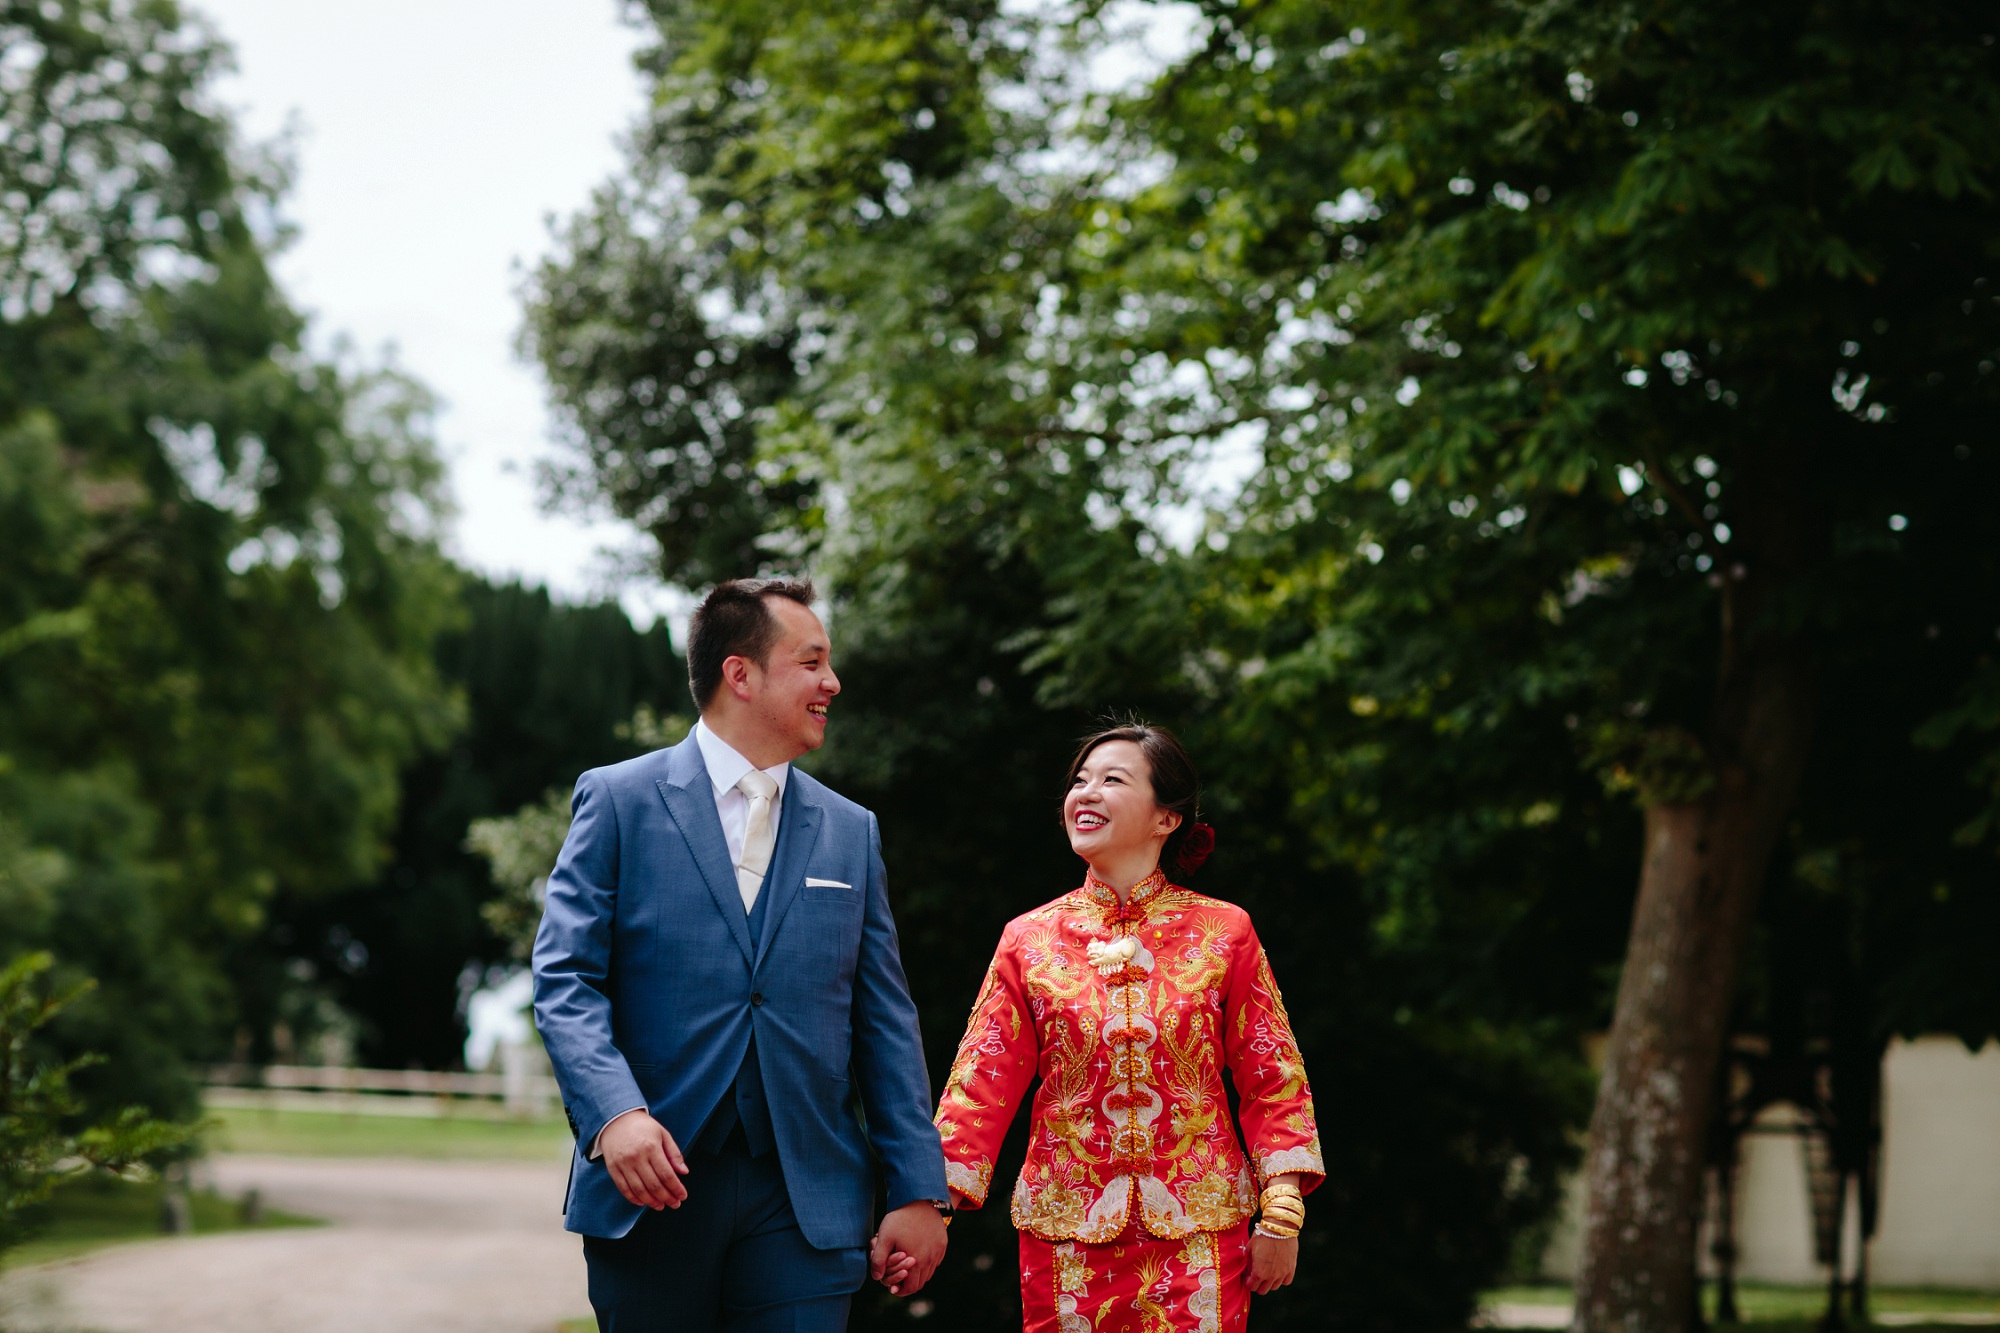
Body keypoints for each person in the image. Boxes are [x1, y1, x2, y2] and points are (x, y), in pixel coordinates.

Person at [532, 578, 949, 1332]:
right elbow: (566, 978)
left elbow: (884, 1017)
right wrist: (614, 1114)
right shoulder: (620, 800)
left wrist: (918, 1189)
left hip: (807, 1194)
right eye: (811, 662)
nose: (832, 682)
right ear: (740, 674)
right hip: (653, 1185)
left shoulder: (850, 830)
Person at [927, 722, 1321, 1332]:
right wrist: (930, 1208)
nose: (1085, 793)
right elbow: (980, 1085)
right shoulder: (1028, 939)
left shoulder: (1225, 932)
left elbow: (1273, 1076)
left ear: (1167, 818)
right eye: (1079, 781)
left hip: (1201, 1234)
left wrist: (1282, 1215)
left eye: (1112, 779)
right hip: (1066, 1236)